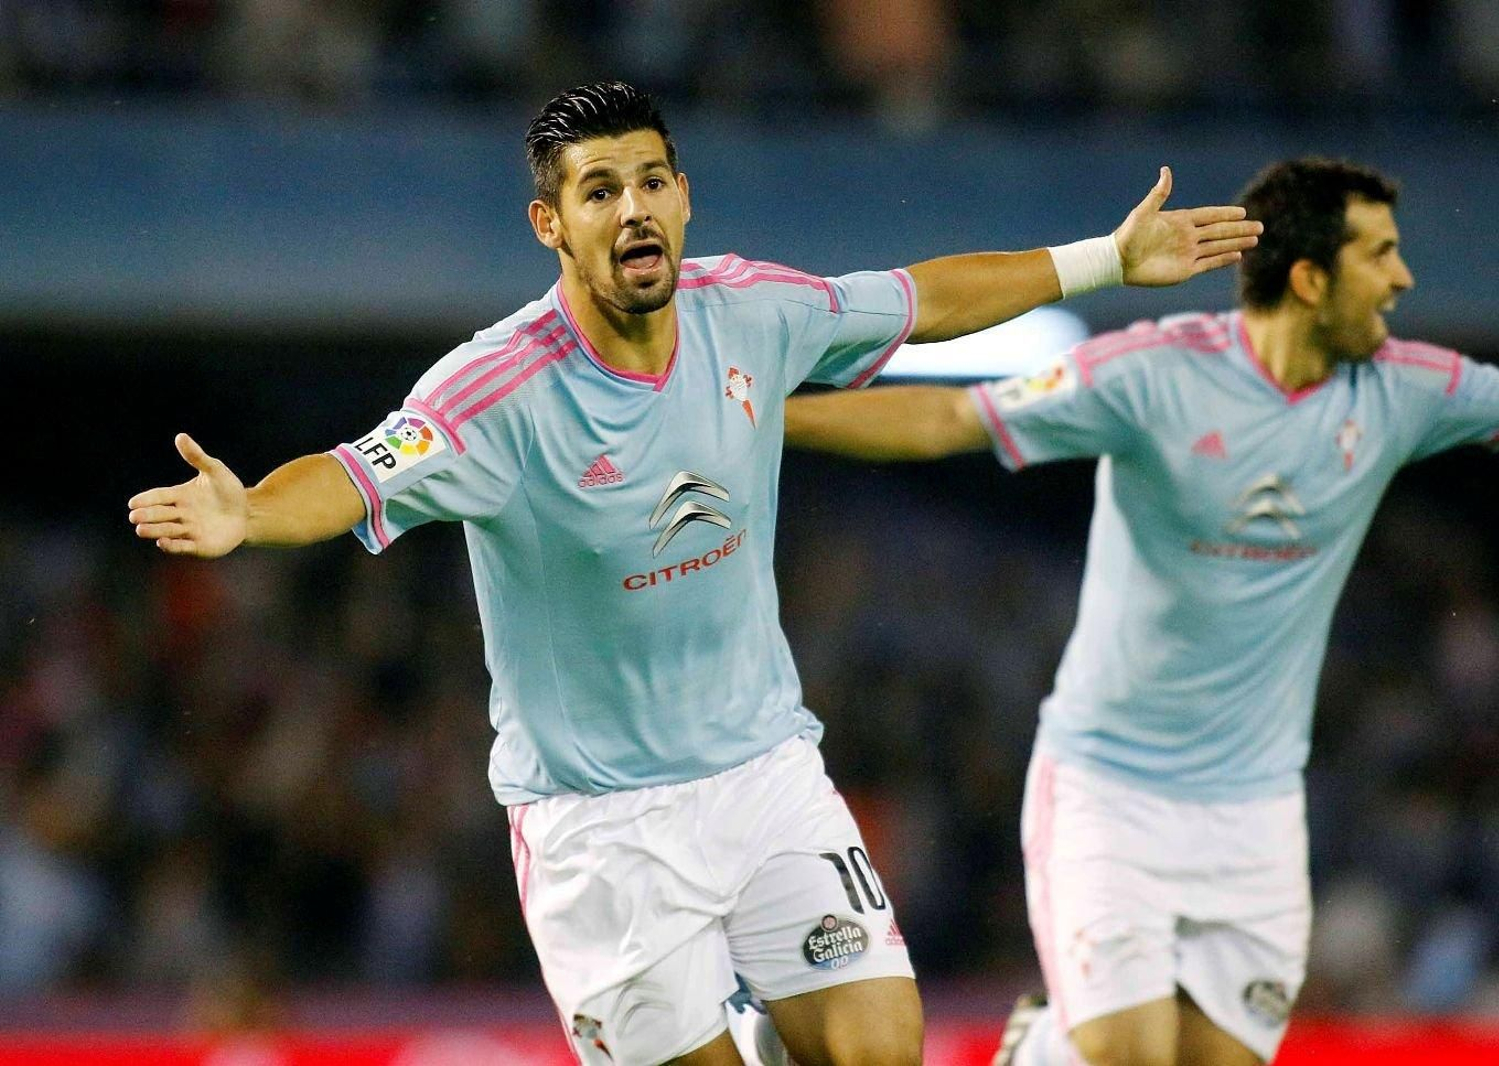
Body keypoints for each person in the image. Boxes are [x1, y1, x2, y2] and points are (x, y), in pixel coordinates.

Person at [125, 81, 1260, 1066]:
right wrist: (250, 510)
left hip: (763, 773)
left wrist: (1106, 259)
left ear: (682, 198)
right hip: (599, 829)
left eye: (651, 181)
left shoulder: (750, 310)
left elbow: (923, 298)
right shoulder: (496, 392)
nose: (633, 208)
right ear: (551, 224)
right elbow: (352, 473)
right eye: (599, 190)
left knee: (879, 1046)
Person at [782, 156, 1499, 1066]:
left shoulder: (1402, 391)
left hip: (1257, 811)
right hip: (1108, 790)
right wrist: (763, 418)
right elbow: (948, 421)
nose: (1403, 278)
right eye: (1380, 255)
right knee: (1128, 1056)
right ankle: (1049, 1046)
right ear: (1310, 278)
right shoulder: (1154, 373)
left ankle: (1044, 1047)